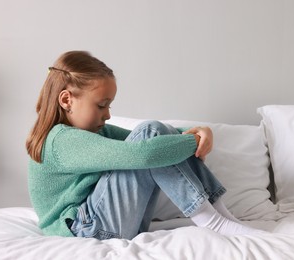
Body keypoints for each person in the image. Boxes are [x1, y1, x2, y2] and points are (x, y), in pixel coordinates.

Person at [26, 50, 263, 240]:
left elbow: (152, 140)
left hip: (104, 224)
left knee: (152, 131)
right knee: (150, 133)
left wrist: (199, 133)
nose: (108, 115)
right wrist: (193, 141)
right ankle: (213, 221)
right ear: (67, 100)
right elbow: (145, 155)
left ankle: (220, 215)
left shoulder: (91, 133)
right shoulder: (61, 140)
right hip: (85, 230)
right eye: (101, 105)